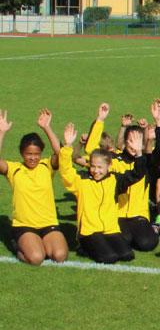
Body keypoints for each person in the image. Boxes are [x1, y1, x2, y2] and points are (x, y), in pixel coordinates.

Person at [85, 100, 160, 252]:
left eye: (138, 141)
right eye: (130, 140)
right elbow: (91, 150)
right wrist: (100, 120)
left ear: (143, 143)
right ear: (125, 141)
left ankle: (148, 230)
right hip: (117, 215)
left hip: (139, 216)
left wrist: (159, 121)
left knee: (147, 243)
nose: (133, 145)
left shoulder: (146, 162)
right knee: (124, 239)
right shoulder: (114, 160)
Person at [59, 123, 146, 264]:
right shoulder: (81, 180)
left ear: (109, 166)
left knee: (127, 255)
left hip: (110, 229)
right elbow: (66, 172)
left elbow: (137, 174)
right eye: (93, 166)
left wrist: (139, 153)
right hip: (89, 232)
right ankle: (83, 247)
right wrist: (68, 146)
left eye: (100, 167)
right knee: (109, 257)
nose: (96, 171)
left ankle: (101, 245)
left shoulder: (115, 180)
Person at [0, 109, 68, 265]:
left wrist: (46, 127)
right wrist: (2, 132)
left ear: (41, 153)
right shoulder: (14, 169)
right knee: (37, 258)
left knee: (60, 256)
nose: (33, 158)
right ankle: (17, 245)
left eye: (36, 154)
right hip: (24, 226)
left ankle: (40, 243)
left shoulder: (46, 166)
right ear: (22, 153)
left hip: (48, 223)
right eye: (29, 154)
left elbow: (60, 153)